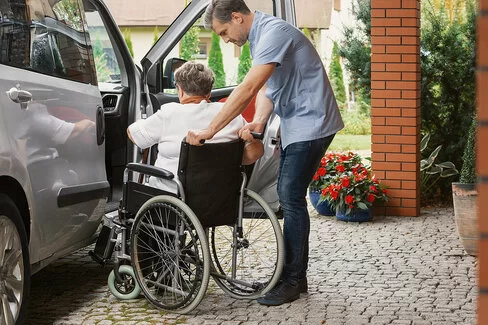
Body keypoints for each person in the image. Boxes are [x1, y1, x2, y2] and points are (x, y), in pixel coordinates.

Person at [186, 0, 344, 306]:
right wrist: (259, 120)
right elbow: (269, 89)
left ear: (236, 17)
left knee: (290, 197)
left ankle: (293, 280)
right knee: (290, 196)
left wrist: (211, 130)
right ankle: (292, 276)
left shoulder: (273, 32)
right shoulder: (260, 39)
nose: (225, 39)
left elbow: (247, 87)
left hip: (312, 122)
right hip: (297, 123)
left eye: (223, 32)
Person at [127, 61, 264, 193]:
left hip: (172, 197)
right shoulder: (231, 115)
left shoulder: (169, 113)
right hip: (221, 198)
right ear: (209, 93)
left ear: (180, 91)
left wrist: (140, 122)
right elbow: (252, 155)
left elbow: (135, 136)